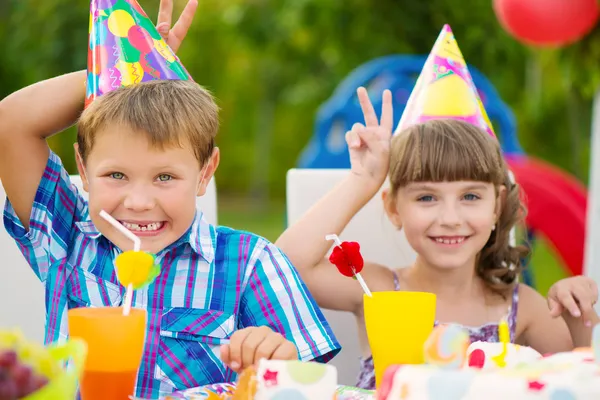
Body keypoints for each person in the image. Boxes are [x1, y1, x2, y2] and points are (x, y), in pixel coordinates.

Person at [0, 1, 339, 398]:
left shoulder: (251, 263)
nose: (139, 202)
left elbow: (304, 385)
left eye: (164, 177)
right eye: (115, 175)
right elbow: (10, 123)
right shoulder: (67, 241)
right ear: (83, 168)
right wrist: (127, 66)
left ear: (205, 172)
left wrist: (279, 360)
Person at [275, 87, 599, 390]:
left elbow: (577, 383)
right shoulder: (378, 290)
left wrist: (577, 318)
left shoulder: (522, 308)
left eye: (470, 196)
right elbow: (283, 267)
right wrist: (364, 180)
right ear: (393, 208)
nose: (450, 218)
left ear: (497, 206)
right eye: (427, 198)